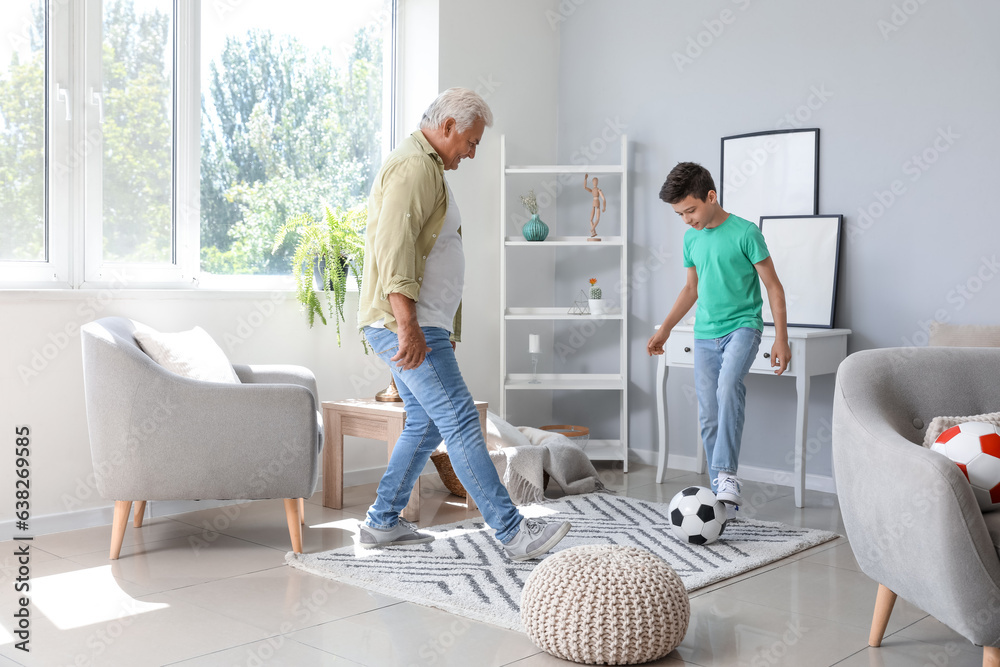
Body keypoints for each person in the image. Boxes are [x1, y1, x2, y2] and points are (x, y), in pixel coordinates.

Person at [356, 87, 571, 560]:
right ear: (448, 126)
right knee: (460, 421)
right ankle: (513, 533)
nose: (472, 152)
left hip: (422, 322)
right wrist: (407, 324)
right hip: (405, 323)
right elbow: (395, 249)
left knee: (426, 426)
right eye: (471, 141)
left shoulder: (428, 167)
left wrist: (436, 328)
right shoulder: (414, 167)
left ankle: (381, 522)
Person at [646, 162, 789, 508]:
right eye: (680, 214)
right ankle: (721, 495)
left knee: (728, 386)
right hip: (704, 333)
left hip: (743, 326)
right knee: (709, 412)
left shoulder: (745, 233)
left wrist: (780, 338)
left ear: (711, 196)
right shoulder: (690, 239)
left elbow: (773, 286)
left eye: (690, 210)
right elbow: (691, 289)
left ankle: (725, 474)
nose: (687, 219)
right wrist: (665, 329)